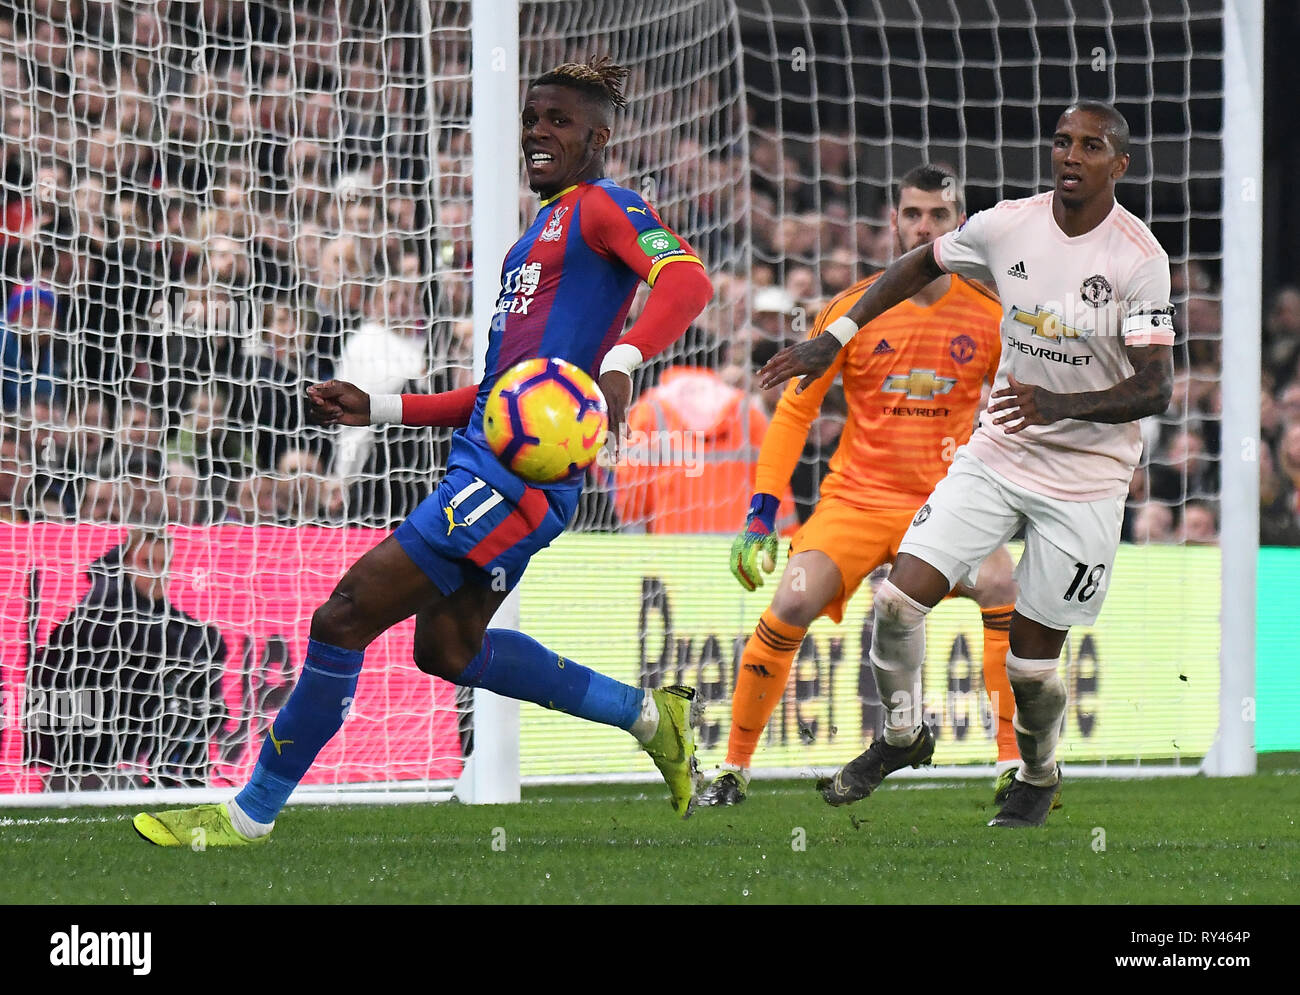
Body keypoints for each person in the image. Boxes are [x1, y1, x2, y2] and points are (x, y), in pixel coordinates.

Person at [133, 57, 715, 847]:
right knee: (448, 648)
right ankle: (651, 717)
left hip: (517, 479)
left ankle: (248, 814)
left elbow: (686, 280)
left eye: (558, 122)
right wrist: (382, 406)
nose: (538, 133)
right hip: (490, 459)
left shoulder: (605, 207)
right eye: (531, 119)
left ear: (598, 137)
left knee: (342, 616)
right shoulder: (531, 243)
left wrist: (622, 362)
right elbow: (495, 396)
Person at [760, 102, 1174, 827]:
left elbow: (1156, 387)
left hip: (1087, 477)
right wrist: (840, 333)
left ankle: (1037, 773)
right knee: (896, 601)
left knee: (1032, 667)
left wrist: (1060, 404)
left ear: (1120, 164)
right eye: (1061, 142)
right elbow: (920, 260)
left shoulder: (1137, 258)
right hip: (1000, 450)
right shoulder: (1006, 223)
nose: (1071, 156)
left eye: (1091, 146)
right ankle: (902, 733)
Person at [700, 164, 1021, 807]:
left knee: (1001, 586)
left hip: (945, 507)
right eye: (912, 215)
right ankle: (733, 770)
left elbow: (1018, 405)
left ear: (959, 224)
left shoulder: (990, 314)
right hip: (855, 500)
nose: (923, 227)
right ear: (892, 221)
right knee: (791, 601)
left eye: (938, 216)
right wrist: (760, 513)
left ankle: (1014, 764)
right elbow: (794, 411)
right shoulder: (852, 311)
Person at [26, 528, 228, 790]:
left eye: (164, 565)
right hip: (81, 752)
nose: (157, 573)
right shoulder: (103, 606)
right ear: (127, 564)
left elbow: (196, 641)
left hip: (125, 747)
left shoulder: (173, 622)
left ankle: (179, 771)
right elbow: (147, 635)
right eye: (147, 563)